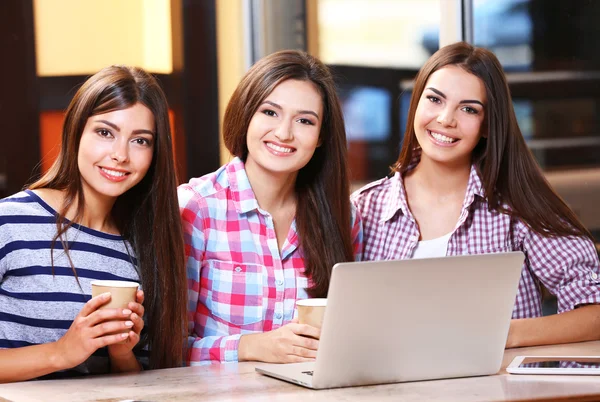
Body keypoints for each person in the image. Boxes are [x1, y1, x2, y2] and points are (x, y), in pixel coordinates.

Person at [352, 42, 600, 348]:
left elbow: (594, 312)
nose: (446, 119)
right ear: (417, 103)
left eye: (468, 108)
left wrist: (503, 334)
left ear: (487, 125)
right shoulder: (364, 209)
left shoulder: (516, 207)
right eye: (434, 99)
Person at [0, 66, 187, 382]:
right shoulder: (10, 222)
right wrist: (61, 352)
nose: (120, 155)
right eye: (105, 132)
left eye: (140, 141)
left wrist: (121, 353)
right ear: (76, 131)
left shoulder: (142, 248)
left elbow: (137, 383)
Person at [179, 50, 362, 365]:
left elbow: (356, 333)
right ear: (246, 114)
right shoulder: (197, 208)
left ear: (321, 137)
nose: (284, 133)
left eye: (305, 120)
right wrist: (250, 347)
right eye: (270, 112)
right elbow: (164, 347)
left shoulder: (344, 217)